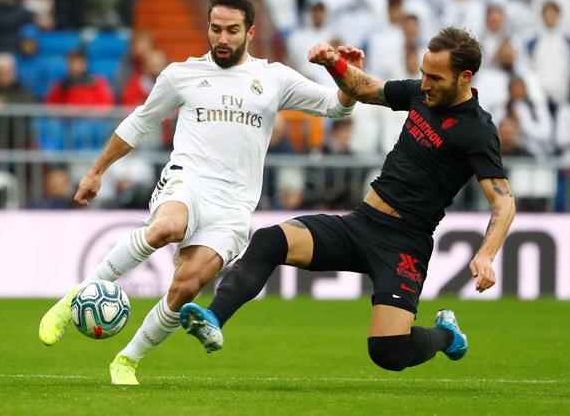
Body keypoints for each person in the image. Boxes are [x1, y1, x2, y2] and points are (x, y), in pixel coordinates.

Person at [37, 0, 359, 385]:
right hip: (188, 181)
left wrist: (344, 71)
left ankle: (127, 360)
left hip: (234, 206)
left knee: (186, 286)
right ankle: (74, 299)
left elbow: (338, 106)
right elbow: (140, 122)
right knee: (166, 227)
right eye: (215, 28)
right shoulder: (181, 74)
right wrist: (96, 171)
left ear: (250, 32)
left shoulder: (273, 78)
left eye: (232, 30)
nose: (222, 38)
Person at [180, 27, 516, 373]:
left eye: (435, 77)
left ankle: (446, 336)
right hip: (362, 223)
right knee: (270, 239)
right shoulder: (423, 94)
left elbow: (504, 201)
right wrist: (334, 63)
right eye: (422, 74)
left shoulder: (477, 130)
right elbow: (367, 89)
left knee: (388, 352)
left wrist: (487, 254)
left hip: (404, 244)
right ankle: (213, 319)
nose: (425, 84)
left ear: (464, 77)